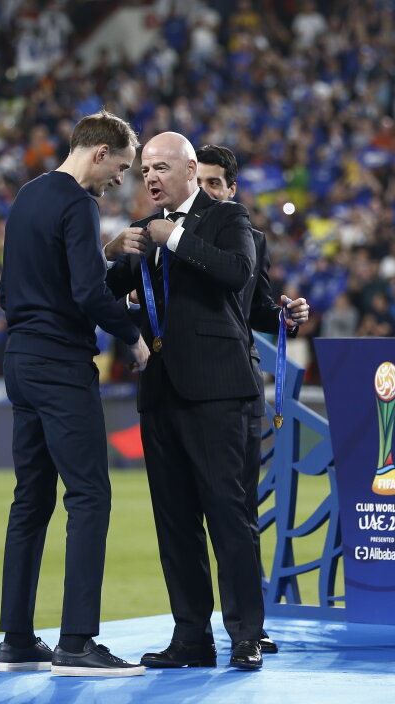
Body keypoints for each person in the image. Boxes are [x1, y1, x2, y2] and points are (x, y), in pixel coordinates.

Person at [0, 110, 150, 678]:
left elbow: (28, 280)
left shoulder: (29, 196)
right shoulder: (79, 203)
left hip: (20, 358)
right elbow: (87, 293)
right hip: (61, 364)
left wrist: (104, 251)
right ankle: (78, 643)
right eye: (122, 168)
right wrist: (134, 336)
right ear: (100, 152)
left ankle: (16, 640)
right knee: (89, 496)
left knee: (30, 500)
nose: (121, 180)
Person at [104, 132, 265, 671]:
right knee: (175, 523)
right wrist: (110, 253)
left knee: (228, 515)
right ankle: (191, 637)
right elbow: (102, 293)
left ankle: (246, 634)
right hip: (160, 393)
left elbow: (236, 273)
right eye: (145, 169)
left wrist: (172, 236)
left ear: (191, 170)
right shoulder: (143, 233)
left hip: (218, 391)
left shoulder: (226, 217)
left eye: (161, 167)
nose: (150, 177)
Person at [194, 143, 310, 655]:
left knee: (238, 511)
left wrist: (283, 315)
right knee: (188, 515)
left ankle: (248, 628)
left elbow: (255, 307)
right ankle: (194, 632)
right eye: (200, 182)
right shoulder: (173, 235)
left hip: (236, 383)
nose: (206, 192)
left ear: (232, 189)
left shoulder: (250, 239)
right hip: (183, 385)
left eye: (215, 184)